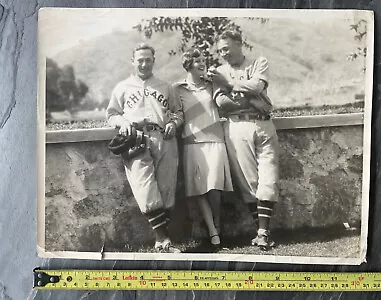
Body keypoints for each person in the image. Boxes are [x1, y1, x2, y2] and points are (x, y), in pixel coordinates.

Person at [106, 43, 183, 253]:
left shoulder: (166, 87)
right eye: (140, 60)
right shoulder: (122, 87)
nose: (144, 63)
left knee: (166, 190)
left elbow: (178, 113)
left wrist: (173, 124)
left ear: (153, 61)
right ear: (133, 61)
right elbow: (111, 113)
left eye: (148, 59)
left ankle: (161, 242)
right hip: (136, 139)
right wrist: (122, 122)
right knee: (145, 188)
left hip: (163, 138)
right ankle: (164, 240)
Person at [208, 30, 280, 251]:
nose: (224, 54)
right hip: (237, 126)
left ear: (240, 44)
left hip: (263, 123)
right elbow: (222, 103)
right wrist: (247, 97)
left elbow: (258, 86)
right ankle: (263, 232)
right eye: (220, 51)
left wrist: (230, 85)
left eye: (227, 48)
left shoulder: (259, 62)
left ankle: (263, 232)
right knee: (249, 181)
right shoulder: (218, 71)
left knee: (270, 177)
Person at [173, 48, 233, 247]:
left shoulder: (212, 85)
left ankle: (216, 222)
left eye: (203, 60)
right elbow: (176, 115)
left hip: (215, 140)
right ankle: (213, 230)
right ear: (188, 65)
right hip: (192, 143)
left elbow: (228, 98)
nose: (202, 63)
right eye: (197, 60)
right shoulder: (178, 89)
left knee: (215, 187)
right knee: (200, 190)